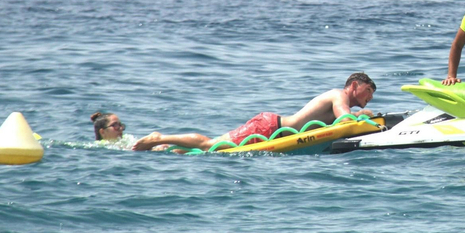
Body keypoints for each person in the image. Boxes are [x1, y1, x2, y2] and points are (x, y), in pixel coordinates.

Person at [130, 73, 378, 152]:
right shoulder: (339, 95)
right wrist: (361, 116)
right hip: (269, 127)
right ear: (354, 85)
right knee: (210, 144)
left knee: (216, 149)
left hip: (273, 131)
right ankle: (158, 137)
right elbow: (344, 117)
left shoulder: (343, 98)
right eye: (368, 90)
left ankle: (170, 148)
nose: (369, 97)